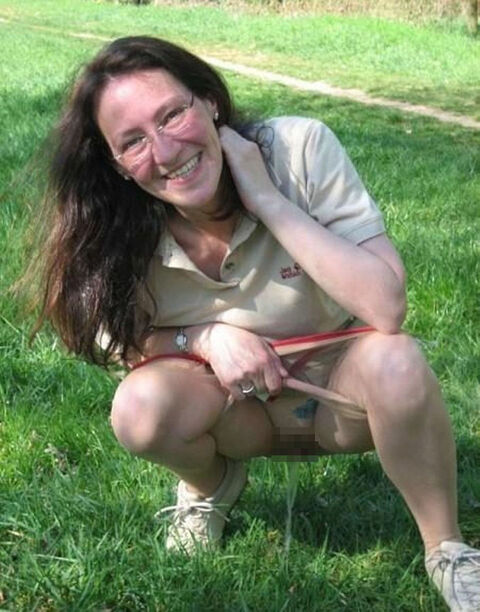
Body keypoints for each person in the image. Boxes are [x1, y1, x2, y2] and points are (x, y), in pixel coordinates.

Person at [33, 35, 480, 610]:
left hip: (340, 401)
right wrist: (205, 338)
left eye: (172, 115)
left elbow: (386, 307)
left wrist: (267, 199)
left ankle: (447, 548)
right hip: (234, 412)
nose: (165, 151)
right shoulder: (113, 222)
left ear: (210, 102)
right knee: (139, 409)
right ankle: (210, 487)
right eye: (133, 142)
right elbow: (113, 339)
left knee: (399, 360)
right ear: (115, 164)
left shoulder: (299, 149)